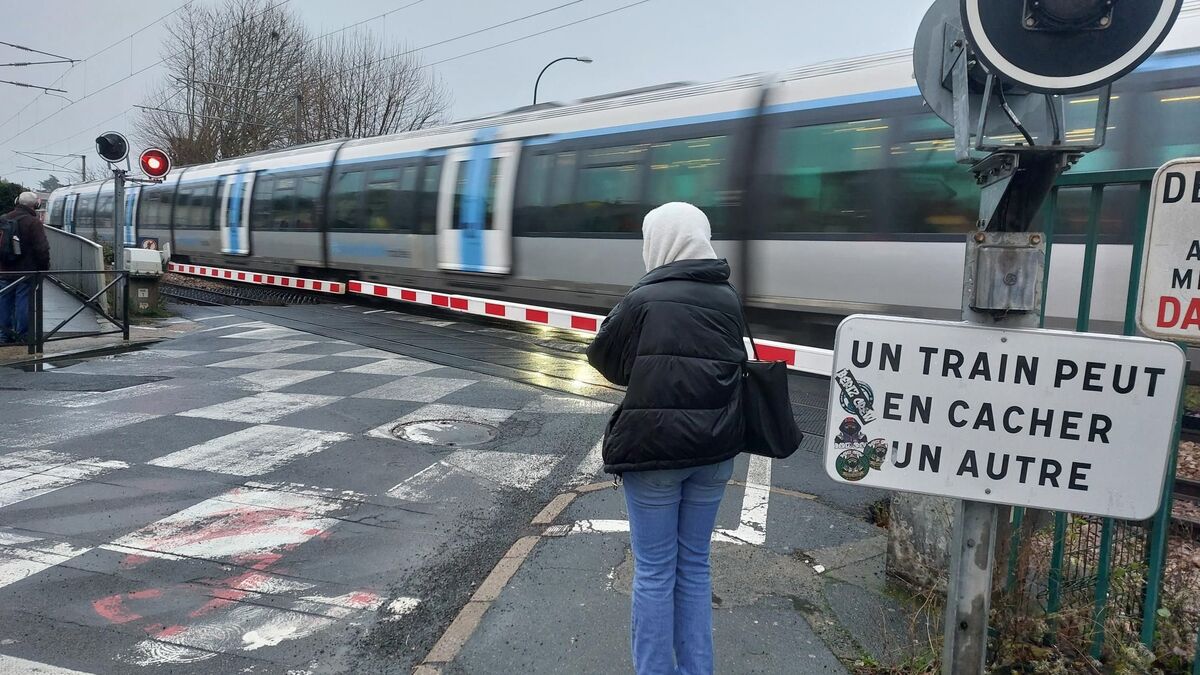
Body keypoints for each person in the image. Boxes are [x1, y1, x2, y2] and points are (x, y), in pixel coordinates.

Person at [587, 202, 747, 675]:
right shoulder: (728, 297)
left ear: (655, 242)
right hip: (715, 453)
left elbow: (607, 363)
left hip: (655, 455)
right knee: (694, 567)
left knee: (655, 572)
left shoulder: (642, 298)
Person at [0, 192, 50, 344]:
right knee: (24, 303)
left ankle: (3, 335)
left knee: (4, 302)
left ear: (17, 202)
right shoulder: (33, 222)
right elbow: (41, 248)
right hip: (26, 271)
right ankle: (23, 336)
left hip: (4, 269)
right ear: (36, 205)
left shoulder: (3, 219)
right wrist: (44, 268)